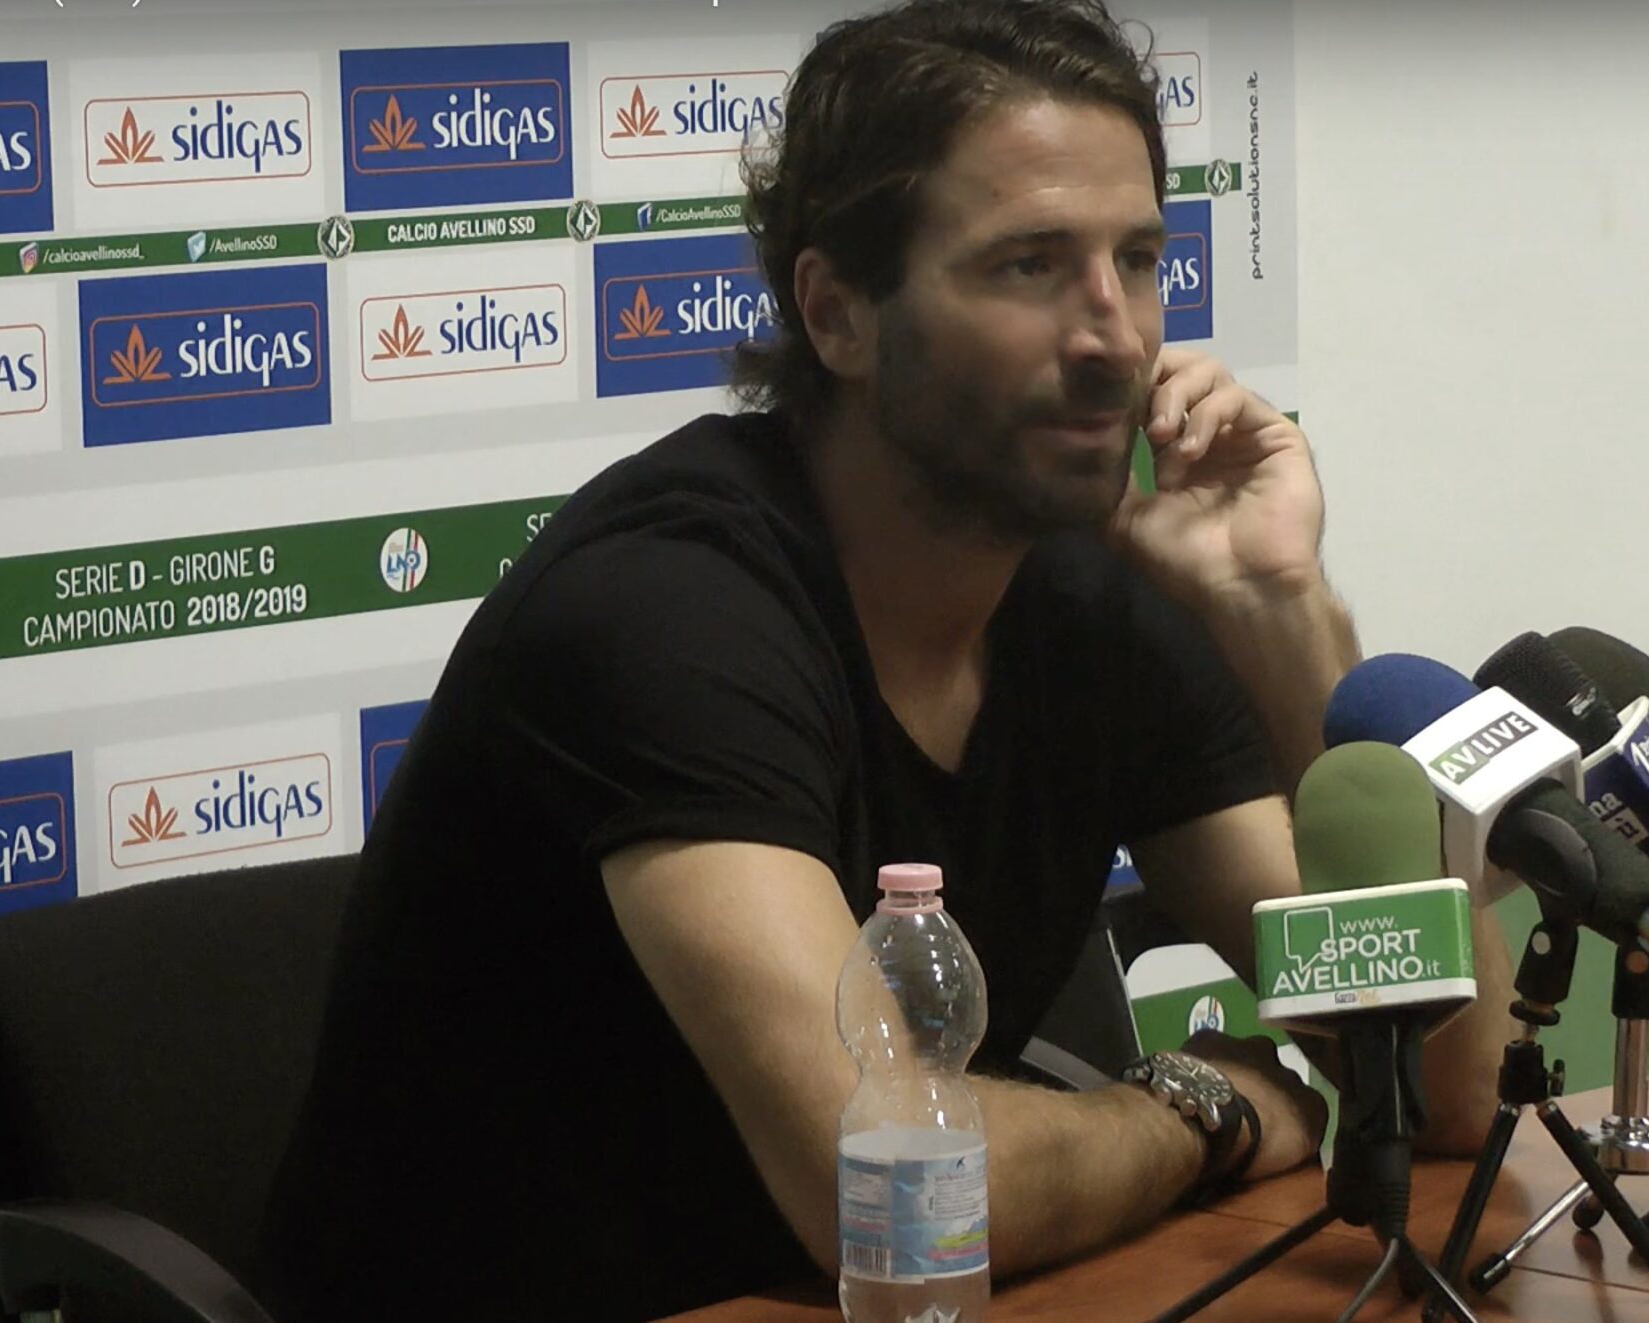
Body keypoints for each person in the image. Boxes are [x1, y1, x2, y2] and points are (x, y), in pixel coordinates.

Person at [262, 2, 1517, 1317]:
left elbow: (1449, 1081)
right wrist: (1194, 1108)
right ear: (837, 313)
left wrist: (1280, 609)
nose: (1115, 337)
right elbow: (889, 1188)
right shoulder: (666, 611)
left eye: (1138, 260)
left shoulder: (1090, 602)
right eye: (1030, 266)